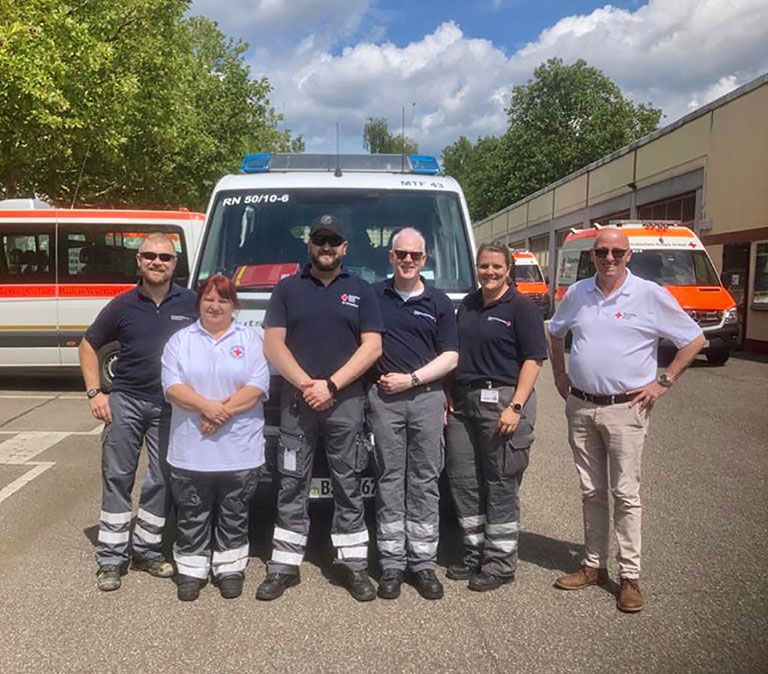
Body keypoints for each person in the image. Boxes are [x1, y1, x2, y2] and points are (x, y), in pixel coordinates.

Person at [548, 227, 704, 613]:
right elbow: (553, 333)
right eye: (602, 251)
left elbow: (694, 339)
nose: (609, 258)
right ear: (593, 255)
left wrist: (662, 382)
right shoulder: (578, 293)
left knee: (626, 494)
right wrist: (559, 375)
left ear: (629, 255)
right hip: (582, 406)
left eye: (618, 252)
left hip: (627, 409)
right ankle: (593, 566)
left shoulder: (649, 295)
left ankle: (630, 576)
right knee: (591, 491)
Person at [256, 214, 384, 602]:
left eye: (334, 241)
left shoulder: (362, 290)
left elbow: (372, 347)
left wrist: (330, 385)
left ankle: (353, 565)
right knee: (292, 481)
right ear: (309, 244)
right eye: (319, 240)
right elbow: (273, 345)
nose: (326, 247)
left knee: (348, 482)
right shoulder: (287, 289)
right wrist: (307, 385)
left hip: (345, 402)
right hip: (298, 401)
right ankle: (283, 566)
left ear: (345, 247)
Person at [79, 233, 197, 592]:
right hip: (126, 400)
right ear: (139, 261)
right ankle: (111, 559)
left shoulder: (192, 302)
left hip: (169, 404)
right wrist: (94, 392)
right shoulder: (122, 305)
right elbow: (88, 344)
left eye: (164, 257)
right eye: (149, 256)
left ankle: (146, 549)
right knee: (118, 476)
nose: (157, 262)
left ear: (175, 263)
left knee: (162, 478)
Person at [444, 242, 548, 591]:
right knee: (464, 482)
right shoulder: (469, 305)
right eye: (484, 266)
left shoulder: (521, 308)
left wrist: (516, 407)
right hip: (464, 404)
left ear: (508, 270)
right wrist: (449, 393)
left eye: (496, 267)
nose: (489, 272)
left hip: (503, 401)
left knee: (501, 483)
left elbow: (533, 360)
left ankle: (500, 563)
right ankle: (474, 554)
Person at [161, 274, 270, 601]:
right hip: (191, 450)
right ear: (199, 303)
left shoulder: (251, 339)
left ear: (234, 305)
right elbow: (172, 386)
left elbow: (257, 386)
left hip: (240, 450)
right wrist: (208, 408)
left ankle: (230, 569)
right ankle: (192, 571)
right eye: (209, 299)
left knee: (234, 512)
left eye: (223, 300)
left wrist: (219, 415)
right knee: (193, 512)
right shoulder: (180, 340)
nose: (215, 305)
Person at [368, 227, 458, 600]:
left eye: (415, 255)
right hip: (384, 399)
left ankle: (422, 563)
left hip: (426, 396)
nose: (407, 261)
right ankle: (391, 564)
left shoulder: (439, 301)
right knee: (389, 478)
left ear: (425, 259)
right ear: (390, 257)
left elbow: (451, 355)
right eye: (401, 254)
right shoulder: (374, 296)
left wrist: (412, 379)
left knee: (423, 479)